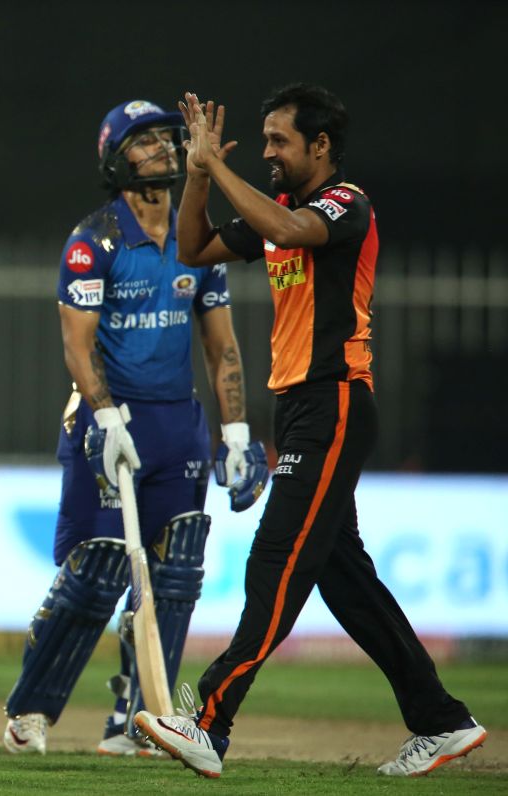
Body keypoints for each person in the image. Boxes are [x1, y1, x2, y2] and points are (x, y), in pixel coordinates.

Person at [134, 85, 487, 778]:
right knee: (343, 579)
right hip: (301, 407)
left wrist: (220, 167)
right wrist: (200, 173)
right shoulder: (279, 211)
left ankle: (209, 721)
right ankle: (442, 720)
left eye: (279, 141)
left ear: (320, 147)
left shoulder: (343, 203)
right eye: (261, 140)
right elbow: (193, 247)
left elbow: (294, 235)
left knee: (276, 558)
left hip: (336, 402)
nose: (266, 152)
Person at [1, 99, 267, 757]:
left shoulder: (195, 240)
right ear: (117, 158)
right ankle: (29, 712)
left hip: (179, 426)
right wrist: (105, 416)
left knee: (176, 575)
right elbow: (77, 343)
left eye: (168, 140)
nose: (166, 151)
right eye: (146, 142)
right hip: (109, 424)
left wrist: (235, 432)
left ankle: (137, 722)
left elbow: (221, 347)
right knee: (95, 573)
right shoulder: (94, 240)